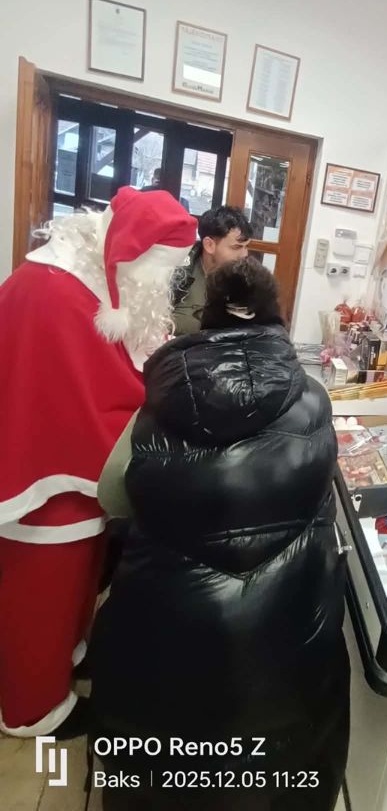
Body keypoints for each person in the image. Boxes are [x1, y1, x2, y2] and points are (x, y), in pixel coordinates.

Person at [90, 257, 349, 811]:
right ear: (277, 320)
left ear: (206, 319)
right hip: (286, 650)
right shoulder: (314, 401)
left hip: (168, 645)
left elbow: (111, 496)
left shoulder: (158, 405)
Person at [0, 188, 197, 737]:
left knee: (72, 585)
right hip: (44, 477)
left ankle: (63, 657)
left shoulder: (92, 279)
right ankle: (32, 709)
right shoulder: (56, 291)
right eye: (167, 269)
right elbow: (92, 390)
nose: (168, 283)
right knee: (40, 596)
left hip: (66, 470)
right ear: (139, 255)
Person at [172, 204, 253, 334]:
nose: (244, 254)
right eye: (236, 247)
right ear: (209, 245)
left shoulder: (246, 279)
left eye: (246, 246)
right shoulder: (176, 273)